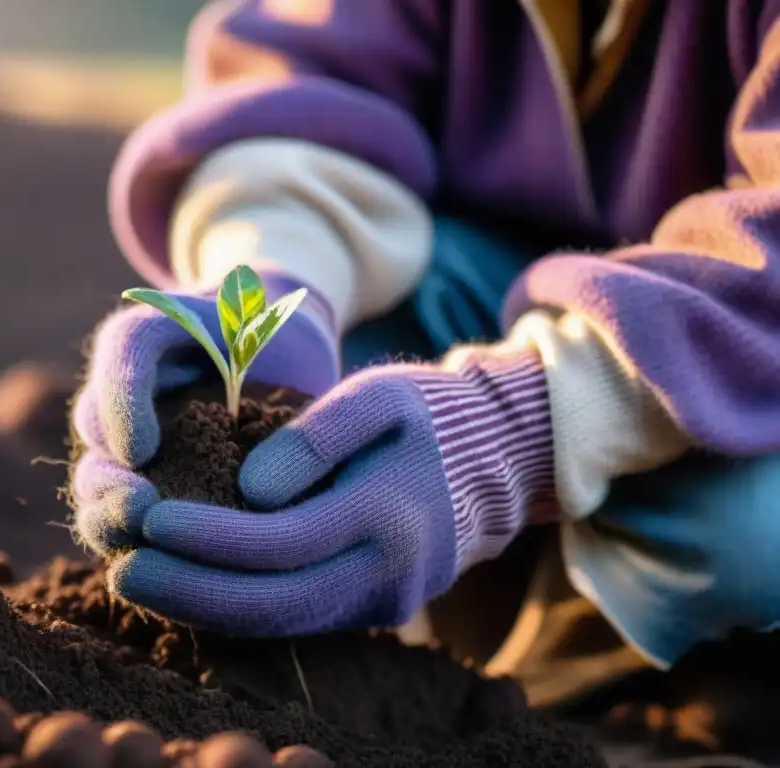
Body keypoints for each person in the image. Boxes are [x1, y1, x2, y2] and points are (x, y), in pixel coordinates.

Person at [70, 0, 780, 693]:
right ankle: (452, 618)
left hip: (746, 345)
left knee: (747, 531)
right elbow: (311, 71)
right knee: (351, 350)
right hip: (494, 282)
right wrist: (272, 268)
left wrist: (513, 425)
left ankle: (633, 687)